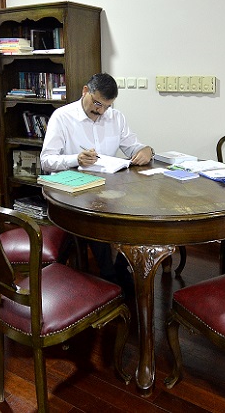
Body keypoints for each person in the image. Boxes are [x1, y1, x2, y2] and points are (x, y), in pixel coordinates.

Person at [40, 73, 154, 296]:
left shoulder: (116, 117)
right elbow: (46, 160)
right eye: (97, 103)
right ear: (85, 91)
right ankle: (109, 278)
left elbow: (133, 147)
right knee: (97, 217)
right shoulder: (62, 117)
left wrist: (146, 150)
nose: (101, 111)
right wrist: (75, 159)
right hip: (74, 192)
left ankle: (121, 269)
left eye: (107, 106)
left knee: (136, 214)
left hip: (108, 188)